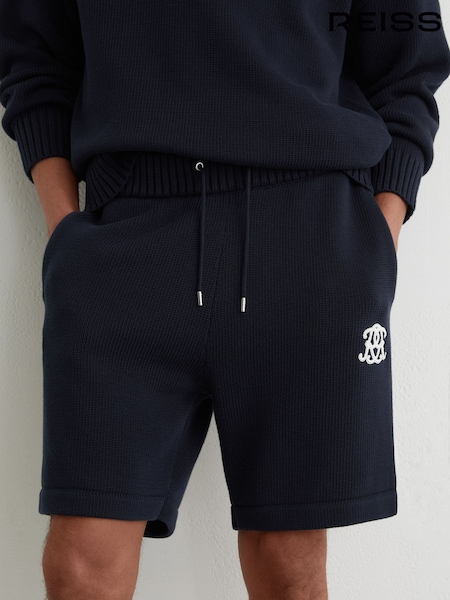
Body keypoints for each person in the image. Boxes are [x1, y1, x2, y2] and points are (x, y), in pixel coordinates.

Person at [1, 1, 450, 598]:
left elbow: (408, 65)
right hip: (126, 240)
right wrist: (64, 232)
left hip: (308, 242)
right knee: (82, 564)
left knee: (289, 561)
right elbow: (33, 55)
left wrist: (378, 240)